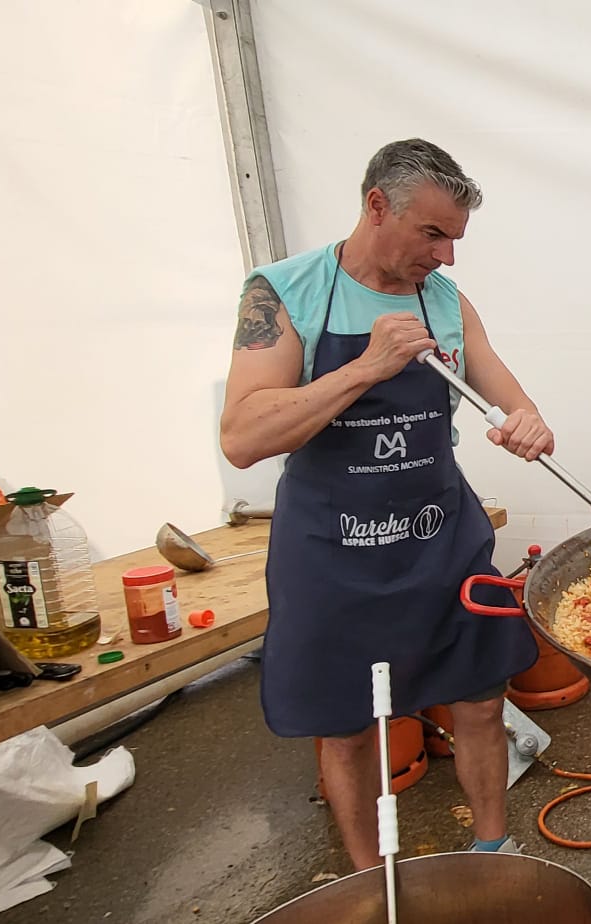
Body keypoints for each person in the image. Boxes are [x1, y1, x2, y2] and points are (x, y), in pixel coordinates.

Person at [220, 139, 551, 866]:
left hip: (439, 536)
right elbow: (243, 437)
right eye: (432, 234)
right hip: (333, 552)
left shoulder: (443, 299)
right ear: (377, 206)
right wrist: (368, 368)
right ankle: (373, 882)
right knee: (345, 725)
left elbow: (506, 389)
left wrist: (526, 417)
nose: (446, 257)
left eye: (455, 239)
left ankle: (493, 849)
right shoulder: (282, 293)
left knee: (479, 699)